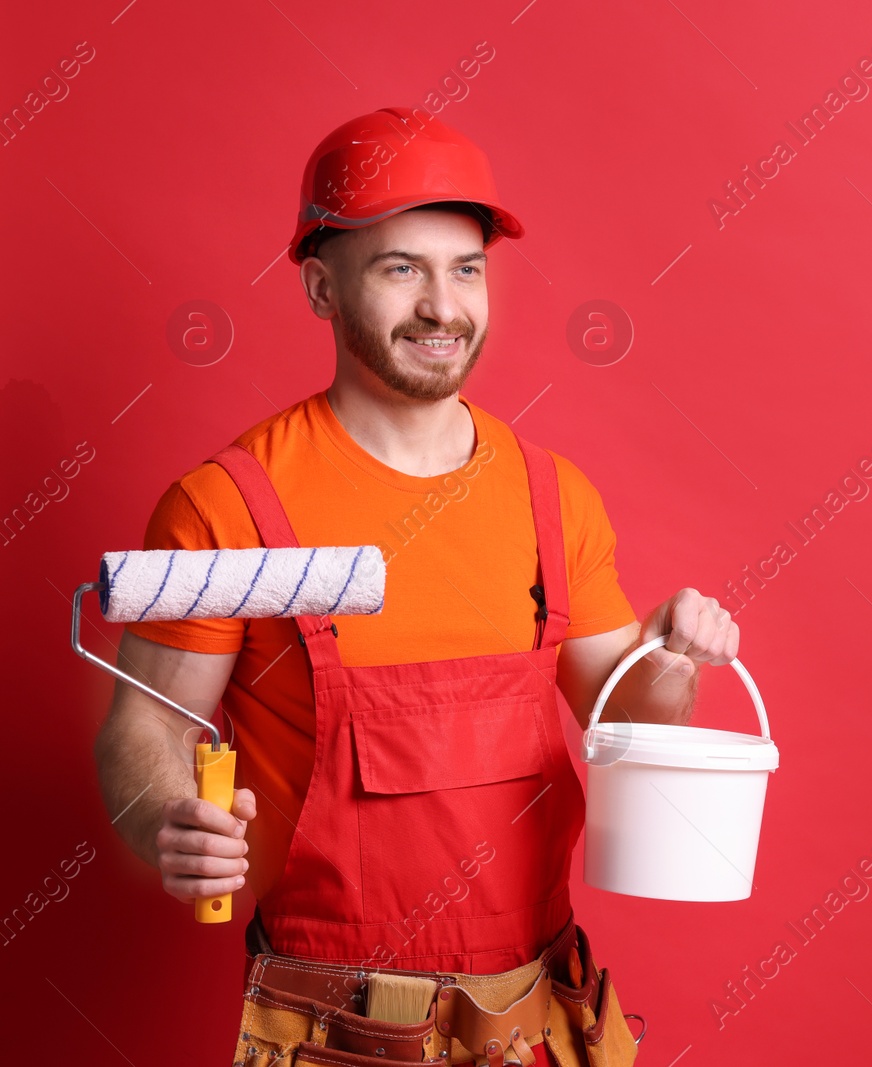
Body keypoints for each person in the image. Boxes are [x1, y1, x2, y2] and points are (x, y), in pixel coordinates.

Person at [92, 107, 735, 1063]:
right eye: (402, 269)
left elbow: (623, 712)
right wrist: (164, 819)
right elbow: (146, 725)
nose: (444, 306)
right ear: (320, 286)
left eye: (465, 268)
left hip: (537, 1023)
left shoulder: (552, 498)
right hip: (330, 1030)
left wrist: (675, 657)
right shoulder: (227, 507)